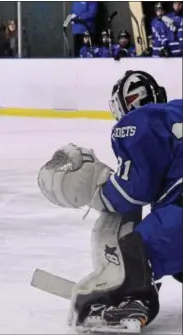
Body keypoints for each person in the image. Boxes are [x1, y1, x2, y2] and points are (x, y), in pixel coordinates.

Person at [37, 70, 182, 332]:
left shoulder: (140, 121)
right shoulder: (176, 112)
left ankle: (129, 300)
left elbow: (132, 193)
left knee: (133, 251)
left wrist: (97, 191)